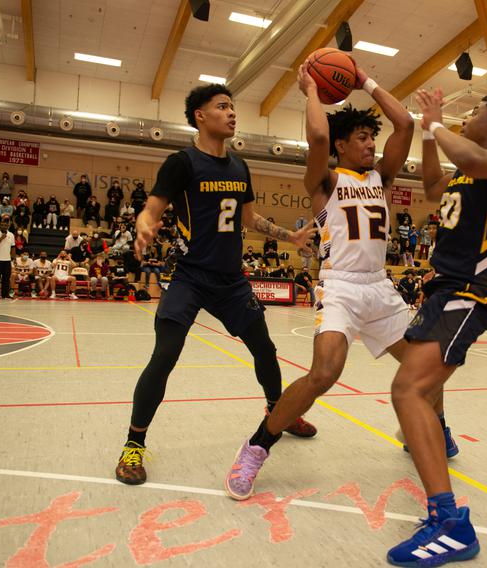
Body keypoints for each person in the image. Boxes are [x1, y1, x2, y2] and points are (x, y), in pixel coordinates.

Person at [225, 60, 463, 502]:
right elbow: (316, 136)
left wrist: (365, 80)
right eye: (361, 137)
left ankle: (437, 428)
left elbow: (404, 124)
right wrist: (312, 89)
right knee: (324, 372)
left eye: (372, 137)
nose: (371, 142)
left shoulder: (381, 177)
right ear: (342, 145)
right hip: (341, 287)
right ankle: (257, 446)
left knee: (427, 368)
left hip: (380, 287)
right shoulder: (325, 181)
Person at [113, 83, 317, 486]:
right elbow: (151, 209)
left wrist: (287, 237)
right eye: (222, 106)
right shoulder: (181, 163)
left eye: (233, 106)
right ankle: (133, 446)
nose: (232, 113)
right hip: (189, 277)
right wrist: (144, 226)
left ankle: (279, 412)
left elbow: (249, 220)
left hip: (231, 281)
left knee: (265, 349)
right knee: (165, 356)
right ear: (200, 116)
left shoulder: (240, 167)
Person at [384, 88, 487, 566]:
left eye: (476, 112)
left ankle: (450, 524)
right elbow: (430, 187)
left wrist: (435, 121)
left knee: (407, 390)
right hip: (446, 289)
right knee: (414, 386)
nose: (468, 117)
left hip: (472, 291)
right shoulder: (464, 172)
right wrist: (428, 134)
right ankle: (440, 437)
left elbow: (463, 150)